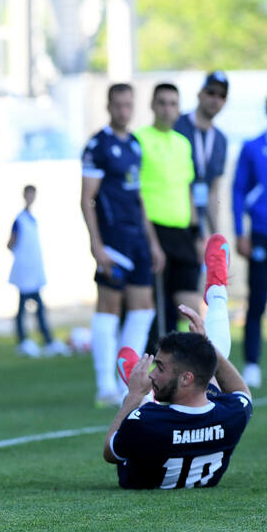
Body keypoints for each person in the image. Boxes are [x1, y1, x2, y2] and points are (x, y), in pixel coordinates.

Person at [103, 235, 252, 489]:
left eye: (159, 367)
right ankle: (217, 291)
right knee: (210, 379)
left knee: (147, 397)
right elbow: (241, 393)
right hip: (200, 410)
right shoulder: (231, 415)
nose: (153, 373)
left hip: (153, 427)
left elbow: (110, 451)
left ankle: (139, 387)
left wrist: (133, 397)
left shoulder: (146, 420)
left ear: (185, 378)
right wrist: (207, 347)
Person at [81, 83, 164, 406]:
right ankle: (104, 384)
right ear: (108, 105)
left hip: (138, 240)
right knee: (109, 307)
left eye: (129, 105)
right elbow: (87, 198)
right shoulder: (97, 146)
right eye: (118, 105)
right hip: (113, 238)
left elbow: (138, 196)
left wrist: (153, 242)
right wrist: (96, 244)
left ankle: (128, 380)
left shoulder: (135, 145)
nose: (123, 111)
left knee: (144, 308)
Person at [136, 83, 200, 336]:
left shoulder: (183, 144)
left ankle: (195, 364)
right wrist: (150, 239)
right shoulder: (139, 140)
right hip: (153, 230)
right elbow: (137, 192)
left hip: (182, 233)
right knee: (157, 309)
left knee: (189, 305)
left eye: (172, 103)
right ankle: (153, 366)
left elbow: (188, 190)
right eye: (162, 102)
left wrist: (196, 234)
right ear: (152, 105)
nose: (167, 109)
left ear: (179, 108)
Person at [231, 91, 267, 389]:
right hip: (262, 232)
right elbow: (237, 190)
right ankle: (252, 363)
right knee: (257, 299)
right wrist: (239, 231)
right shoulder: (253, 147)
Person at [7, 185, 68, 357]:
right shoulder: (20, 219)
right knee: (26, 308)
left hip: (33, 271)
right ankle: (27, 339)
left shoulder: (31, 219)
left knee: (36, 307)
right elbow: (11, 243)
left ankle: (43, 339)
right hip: (25, 270)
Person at [173, 72, 229, 238]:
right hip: (175, 220)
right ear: (200, 94)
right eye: (211, 92)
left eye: (222, 95)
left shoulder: (220, 139)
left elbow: (213, 190)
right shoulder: (177, 125)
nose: (215, 99)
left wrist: (216, 235)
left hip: (200, 226)